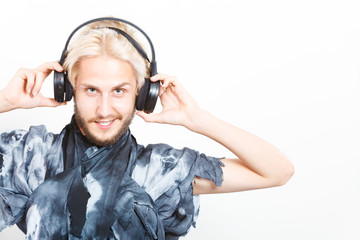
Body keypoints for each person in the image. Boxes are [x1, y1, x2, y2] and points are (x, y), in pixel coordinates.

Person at [0, 18, 294, 239]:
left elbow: (277, 172)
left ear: (142, 94)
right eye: (91, 90)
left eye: (119, 90)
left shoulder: (162, 170)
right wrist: (5, 101)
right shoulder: (28, 158)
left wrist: (198, 119)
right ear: (69, 89)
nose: (104, 109)